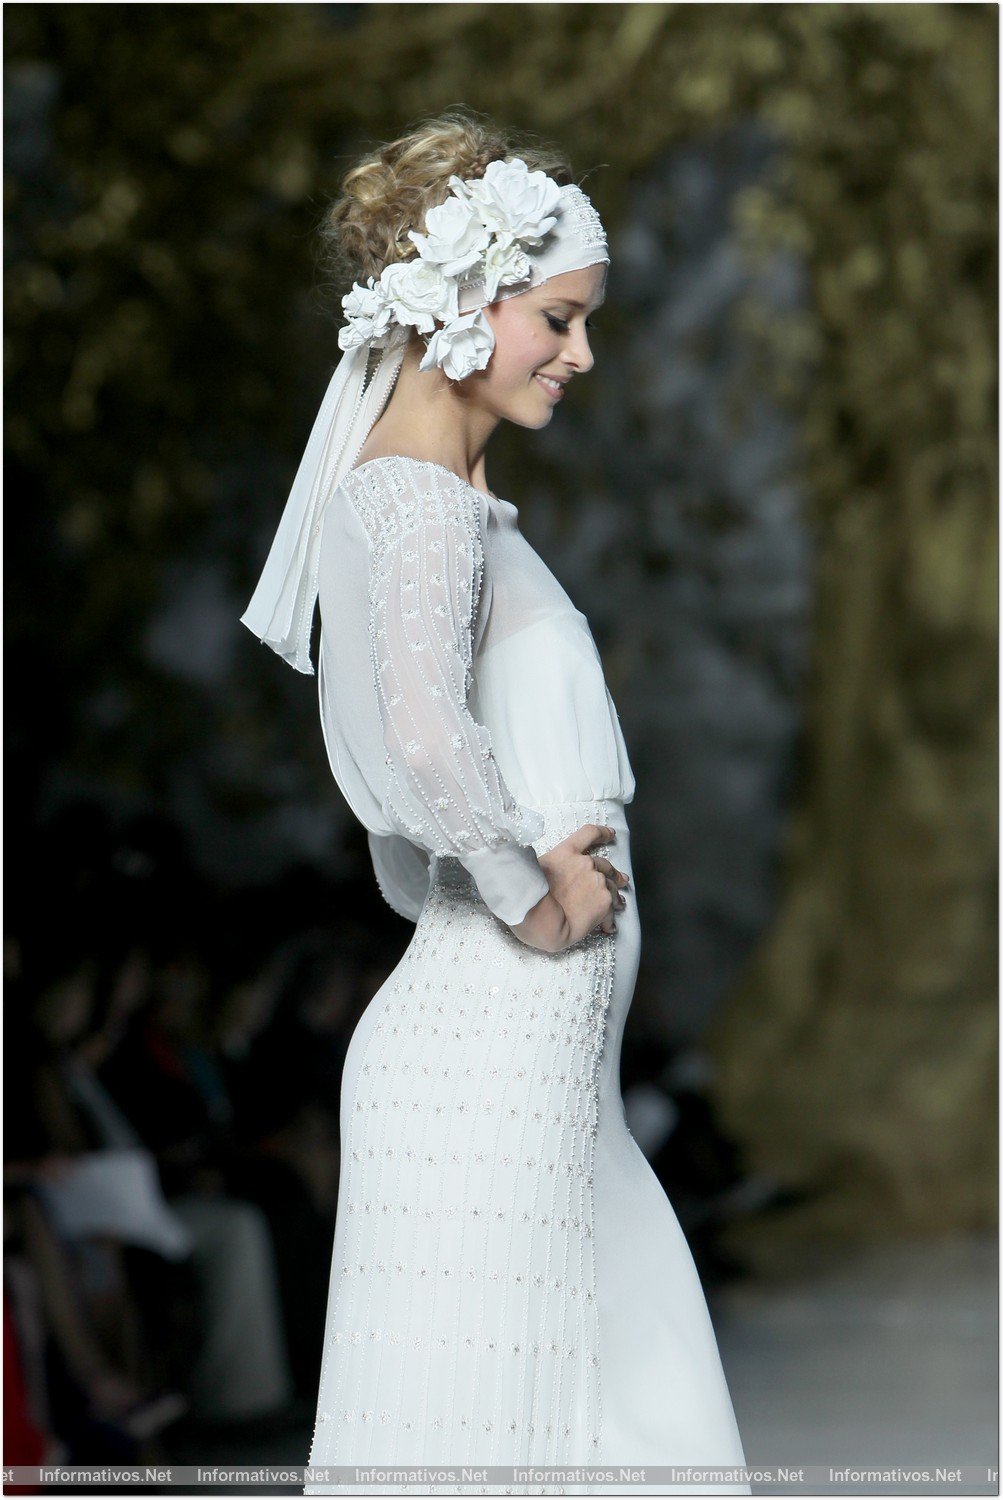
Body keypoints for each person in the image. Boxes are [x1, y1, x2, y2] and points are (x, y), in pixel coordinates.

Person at [241, 108, 750, 1495]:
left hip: (517, 1060)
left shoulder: (429, 497)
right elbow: (419, 737)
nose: (580, 355)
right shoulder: (418, 502)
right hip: (492, 1053)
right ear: (465, 301)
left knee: (591, 1420)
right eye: (558, 319)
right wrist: (532, 896)